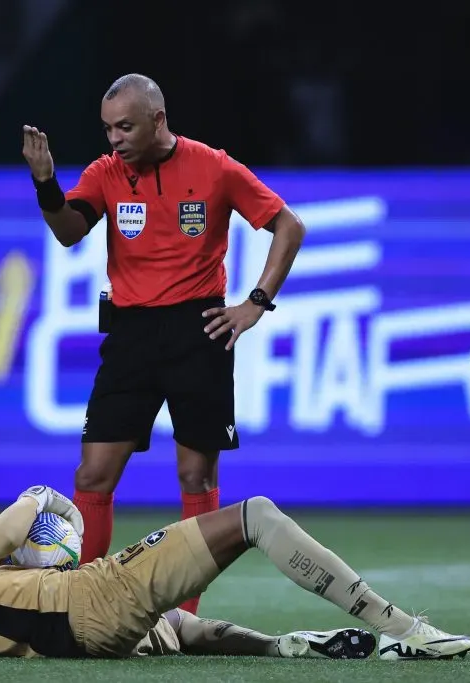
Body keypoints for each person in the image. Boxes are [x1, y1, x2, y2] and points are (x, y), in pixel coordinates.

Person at [21, 73, 307, 615]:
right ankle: (81, 609)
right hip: (130, 336)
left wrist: (255, 303)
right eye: (107, 129)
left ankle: (183, 618)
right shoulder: (105, 173)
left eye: (124, 127)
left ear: (158, 120)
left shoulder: (214, 167)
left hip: (198, 330)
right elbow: (68, 230)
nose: (114, 140)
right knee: (91, 474)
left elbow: (289, 226)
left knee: (195, 476)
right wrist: (46, 185)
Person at [0, 485, 470, 661]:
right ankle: (404, 625)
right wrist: (40, 495)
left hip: (75, 637)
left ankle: (282, 644)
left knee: (181, 627)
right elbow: (15, 532)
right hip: (85, 600)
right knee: (254, 515)